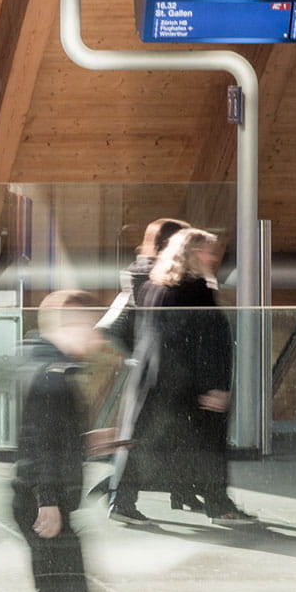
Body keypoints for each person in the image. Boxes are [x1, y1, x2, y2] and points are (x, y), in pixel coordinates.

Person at [10, 289, 115, 592]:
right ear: (66, 324)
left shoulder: (51, 367)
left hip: (46, 499)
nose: (96, 334)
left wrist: (86, 442)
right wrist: (48, 501)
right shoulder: (51, 375)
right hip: (43, 503)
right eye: (89, 324)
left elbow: (49, 437)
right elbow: (36, 441)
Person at [134, 228, 257, 525]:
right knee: (209, 447)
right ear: (195, 253)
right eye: (209, 251)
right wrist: (214, 386)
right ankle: (218, 505)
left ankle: (165, 494)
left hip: (164, 382)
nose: (213, 258)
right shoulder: (196, 288)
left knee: (166, 443)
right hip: (195, 386)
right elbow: (208, 342)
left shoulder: (156, 287)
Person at [97, 217, 189, 521]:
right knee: (138, 436)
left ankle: (176, 492)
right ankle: (120, 500)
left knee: (158, 434)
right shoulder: (148, 274)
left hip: (155, 364)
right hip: (152, 367)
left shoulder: (147, 271)